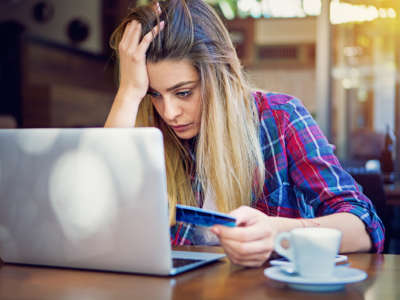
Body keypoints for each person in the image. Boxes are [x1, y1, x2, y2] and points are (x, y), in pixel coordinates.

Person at [105, 0, 384, 267]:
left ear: (221, 76)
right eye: (154, 94)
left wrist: (280, 233)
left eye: (184, 92)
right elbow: (99, 219)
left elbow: (365, 226)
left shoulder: (280, 116)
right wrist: (129, 93)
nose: (169, 112)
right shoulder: (152, 130)